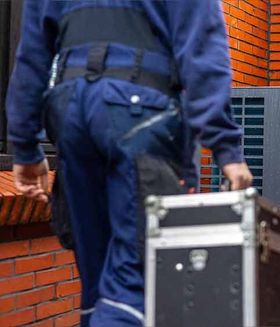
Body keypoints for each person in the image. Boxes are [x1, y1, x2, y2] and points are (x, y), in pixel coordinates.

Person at [7, 1, 252, 326]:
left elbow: (32, 51)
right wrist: (226, 149)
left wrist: (24, 147)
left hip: (70, 112)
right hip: (141, 110)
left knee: (96, 286)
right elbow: (203, 45)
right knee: (136, 283)